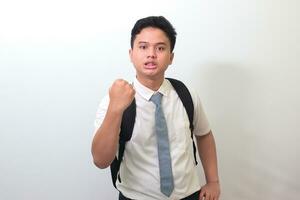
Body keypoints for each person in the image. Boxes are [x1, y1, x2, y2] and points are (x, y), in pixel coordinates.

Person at [91, 16, 220, 200]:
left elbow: (204, 134)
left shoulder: (186, 94)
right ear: (131, 54)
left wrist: (213, 181)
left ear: (171, 57)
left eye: (160, 48)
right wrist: (115, 110)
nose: (151, 54)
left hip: (190, 195)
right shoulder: (113, 100)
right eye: (143, 47)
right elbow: (100, 161)